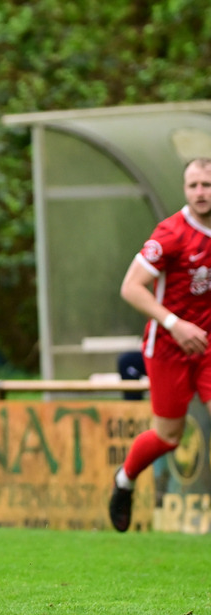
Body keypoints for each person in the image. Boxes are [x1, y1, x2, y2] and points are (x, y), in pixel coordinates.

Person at [109, 157, 211, 532]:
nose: (201, 193)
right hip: (168, 346)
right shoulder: (171, 233)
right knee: (169, 436)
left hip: (209, 347)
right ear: (185, 189)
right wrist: (175, 323)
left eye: (208, 185)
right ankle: (125, 480)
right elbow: (130, 287)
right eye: (194, 185)